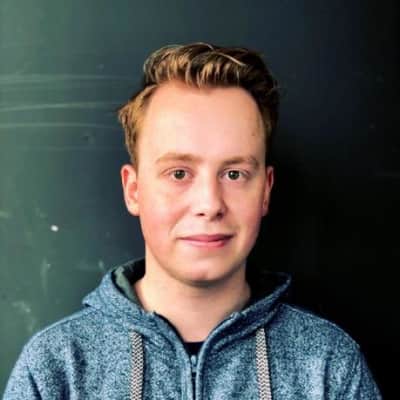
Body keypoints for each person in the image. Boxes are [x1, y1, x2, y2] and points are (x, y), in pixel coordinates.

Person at [3, 43, 381, 399]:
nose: (209, 204)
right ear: (134, 190)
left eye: (234, 174)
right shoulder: (56, 368)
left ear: (265, 191)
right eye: (179, 173)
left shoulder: (328, 364)